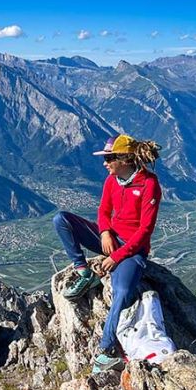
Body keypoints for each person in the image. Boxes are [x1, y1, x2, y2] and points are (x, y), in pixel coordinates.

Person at [53, 134, 162, 373]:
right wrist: (104, 233)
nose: (105, 163)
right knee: (61, 219)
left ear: (124, 158)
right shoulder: (112, 180)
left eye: (109, 158)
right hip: (110, 239)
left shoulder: (149, 184)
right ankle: (84, 272)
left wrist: (116, 257)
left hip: (132, 249)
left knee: (122, 291)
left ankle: (106, 349)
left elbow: (145, 230)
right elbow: (103, 211)